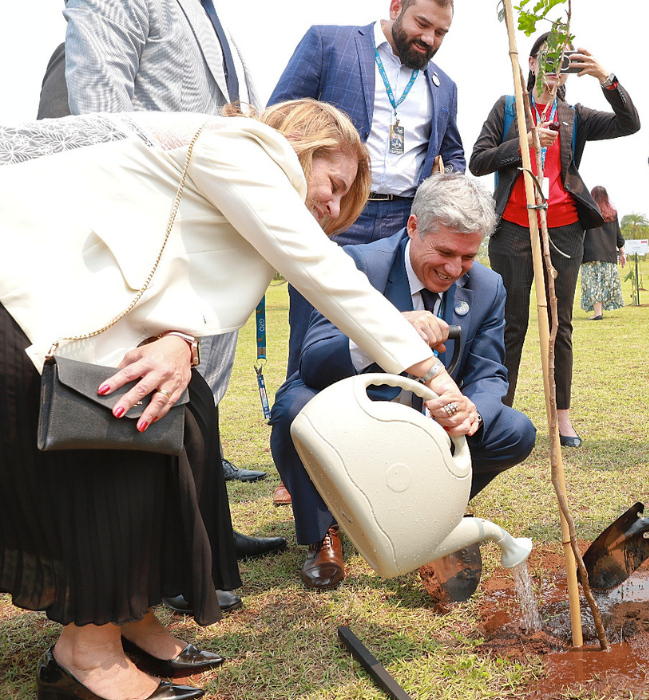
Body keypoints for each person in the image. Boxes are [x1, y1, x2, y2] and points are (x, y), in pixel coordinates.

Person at [0, 99, 474, 700]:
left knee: (189, 410)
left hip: (86, 316)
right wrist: (432, 373)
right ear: (299, 142)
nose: (332, 208)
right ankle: (85, 657)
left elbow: (173, 266)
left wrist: (179, 340)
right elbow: (328, 275)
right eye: (332, 184)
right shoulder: (244, 150)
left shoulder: (231, 175)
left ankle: (130, 616)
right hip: (22, 296)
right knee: (131, 428)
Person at [270, 173, 536, 600]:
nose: (454, 269)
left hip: (429, 428)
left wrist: (472, 410)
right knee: (292, 408)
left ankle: (432, 518)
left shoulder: (488, 287)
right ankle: (326, 532)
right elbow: (314, 363)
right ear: (412, 227)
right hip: (358, 423)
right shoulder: (355, 265)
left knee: (515, 431)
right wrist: (386, 331)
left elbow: (491, 374)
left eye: (467, 257)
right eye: (445, 252)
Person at [63, 0, 273, 487]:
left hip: (216, 233)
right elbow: (101, 114)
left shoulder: (210, 15)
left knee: (202, 392)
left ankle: (200, 510)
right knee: (140, 401)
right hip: (154, 236)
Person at [270, 0, 466, 379]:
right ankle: (295, 426)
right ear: (396, 7)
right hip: (332, 215)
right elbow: (280, 118)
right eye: (422, 24)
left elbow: (453, 152)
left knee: (392, 333)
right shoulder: (328, 43)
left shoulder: (445, 86)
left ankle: (380, 431)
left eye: (440, 33)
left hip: (403, 225)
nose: (429, 38)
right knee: (314, 334)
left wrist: (445, 191)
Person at [469, 31, 640, 447]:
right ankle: (498, 413)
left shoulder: (573, 115)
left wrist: (606, 77)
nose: (557, 67)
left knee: (561, 326)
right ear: (530, 64)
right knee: (510, 324)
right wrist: (523, 144)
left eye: (565, 61)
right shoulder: (508, 107)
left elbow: (629, 123)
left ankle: (563, 418)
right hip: (512, 228)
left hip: (563, 229)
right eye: (549, 59)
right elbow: (478, 161)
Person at [580, 186, 627, 320]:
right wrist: (622, 253)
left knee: (593, 283)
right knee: (604, 283)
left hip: (590, 254)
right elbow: (618, 234)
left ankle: (598, 312)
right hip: (608, 254)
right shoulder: (612, 213)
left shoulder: (587, 212)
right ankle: (599, 311)